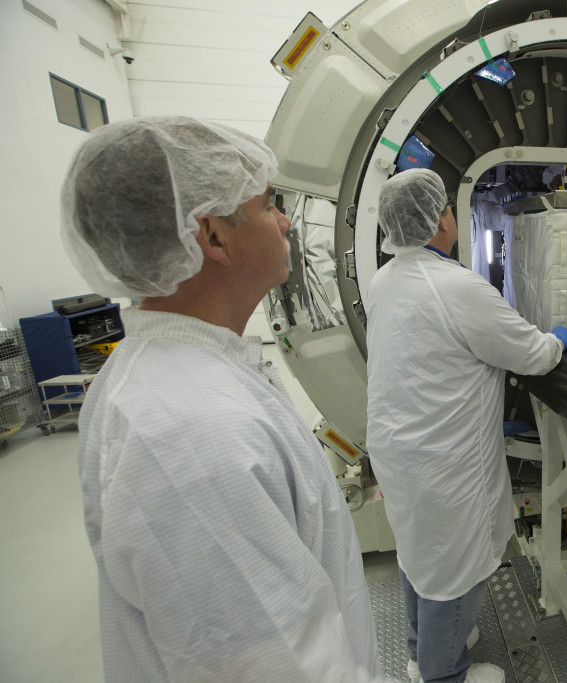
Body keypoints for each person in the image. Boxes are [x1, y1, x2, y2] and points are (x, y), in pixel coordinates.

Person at [62, 116, 385, 682]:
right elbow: (280, 669)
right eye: (267, 205)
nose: (284, 221)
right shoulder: (190, 434)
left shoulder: (182, 378)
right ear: (211, 235)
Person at [365, 169, 567, 683]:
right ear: (440, 219)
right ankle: (443, 673)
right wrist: (563, 336)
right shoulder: (456, 286)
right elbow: (533, 355)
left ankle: (422, 649)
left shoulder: (384, 278)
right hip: (445, 462)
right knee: (453, 570)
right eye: (450, 209)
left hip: (399, 448)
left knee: (420, 553)